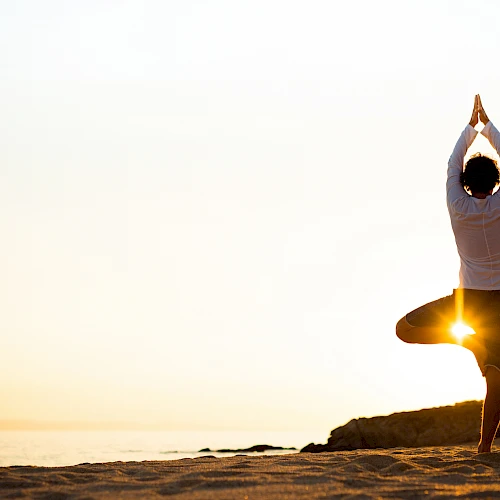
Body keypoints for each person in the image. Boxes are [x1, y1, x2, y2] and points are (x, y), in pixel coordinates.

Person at [396, 95, 500, 453]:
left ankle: (464, 339)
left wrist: (472, 127)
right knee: (497, 377)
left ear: (465, 182)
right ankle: (484, 445)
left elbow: (451, 163)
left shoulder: (457, 204)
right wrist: (488, 126)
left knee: (404, 329)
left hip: (468, 302)